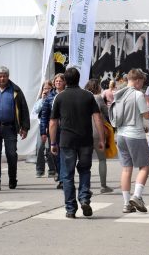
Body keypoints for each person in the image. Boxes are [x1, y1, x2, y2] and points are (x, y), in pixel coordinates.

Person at [49, 67, 105, 219]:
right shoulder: (88, 96)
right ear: (79, 79)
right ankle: (84, 198)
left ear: (65, 80)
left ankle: (70, 209)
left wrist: (53, 143)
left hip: (66, 141)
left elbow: (53, 122)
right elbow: (97, 118)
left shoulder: (59, 97)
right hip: (85, 140)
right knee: (85, 170)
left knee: (67, 175)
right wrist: (101, 138)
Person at [113, 69, 149, 213]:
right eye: (141, 82)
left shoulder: (119, 94)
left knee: (126, 168)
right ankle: (137, 196)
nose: (142, 85)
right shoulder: (138, 94)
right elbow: (146, 115)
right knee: (144, 166)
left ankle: (126, 203)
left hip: (121, 134)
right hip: (135, 134)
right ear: (137, 80)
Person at [84, 79, 113, 194]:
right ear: (97, 87)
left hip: (85, 132)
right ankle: (103, 186)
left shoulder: (83, 97)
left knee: (86, 160)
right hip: (97, 132)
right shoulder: (98, 98)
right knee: (102, 159)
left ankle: (86, 187)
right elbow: (107, 113)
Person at [41, 73, 65, 189]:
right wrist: (43, 132)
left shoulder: (68, 95)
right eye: (56, 81)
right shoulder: (49, 97)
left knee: (65, 154)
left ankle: (64, 177)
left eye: (60, 81)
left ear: (64, 82)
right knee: (55, 154)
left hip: (67, 129)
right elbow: (44, 116)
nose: (58, 83)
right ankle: (61, 176)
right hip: (53, 130)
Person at [34, 80, 56, 178]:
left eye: (48, 88)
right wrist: (43, 99)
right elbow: (36, 110)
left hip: (51, 125)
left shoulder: (53, 98)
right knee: (40, 147)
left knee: (50, 148)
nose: (46, 90)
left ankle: (52, 169)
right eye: (44, 88)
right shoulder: (40, 100)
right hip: (42, 126)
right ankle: (39, 169)